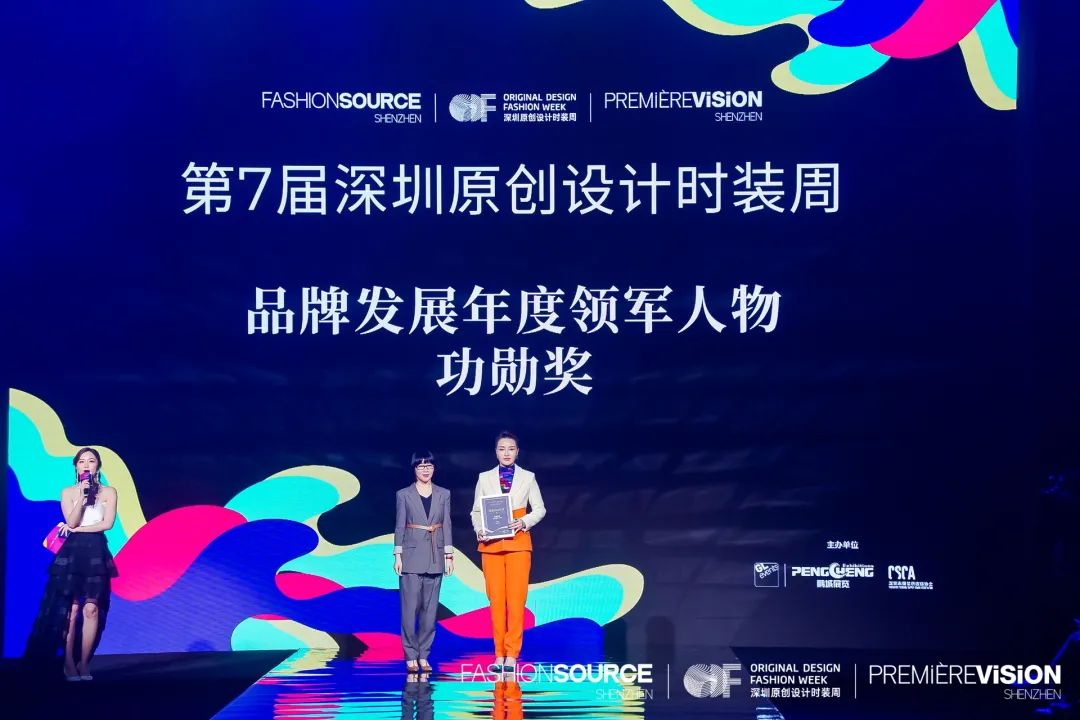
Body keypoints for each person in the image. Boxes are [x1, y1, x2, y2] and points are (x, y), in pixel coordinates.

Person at [24, 447, 119, 681]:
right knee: (72, 609)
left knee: (91, 609)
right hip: (72, 552)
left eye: (91, 461)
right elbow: (72, 521)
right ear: (76, 466)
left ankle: (84, 663)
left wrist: (79, 529)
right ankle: (68, 662)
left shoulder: (109, 492)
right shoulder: (67, 492)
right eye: (82, 461)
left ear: (98, 466)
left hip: (96, 550)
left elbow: (107, 524)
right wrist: (83, 498)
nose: (86, 465)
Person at [471, 432, 546, 673]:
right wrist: (479, 529)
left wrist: (523, 522)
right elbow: (476, 511)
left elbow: (540, 509)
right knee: (496, 601)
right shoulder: (484, 478)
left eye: (511, 448)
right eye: (502, 448)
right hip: (491, 545)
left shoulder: (528, 477)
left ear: (517, 451)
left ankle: (512, 654)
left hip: (518, 543)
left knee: (516, 600)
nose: (506, 453)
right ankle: (499, 655)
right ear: (496, 452)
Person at [394, 451, 454, 673]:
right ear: (414, 469)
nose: (425, 469)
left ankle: (424, 655)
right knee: (410, 610)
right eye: (421, 466)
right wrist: (397, 555)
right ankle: (410, 655)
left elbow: (446, 524)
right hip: (411, 557)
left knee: (430, 613)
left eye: (429, 465)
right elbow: (400, 525)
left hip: (435, 556)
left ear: (434, 468)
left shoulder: (444, 494)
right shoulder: (404, 495)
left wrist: (449, 555)